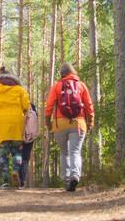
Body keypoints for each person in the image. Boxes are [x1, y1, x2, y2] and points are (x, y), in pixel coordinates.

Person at [44, 63, 94, 192]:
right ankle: (75, 176)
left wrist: (48, 123)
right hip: (78, 123)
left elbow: (49, 106)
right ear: (73, 72)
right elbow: (89, 105)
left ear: (62, 74)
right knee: (75, 152)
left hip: (59, 124)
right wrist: (90, 122)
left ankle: (66, 181)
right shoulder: (81, 85)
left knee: (64, 152)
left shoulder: (57, 86)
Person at [0, 66, 31, 189]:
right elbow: (26, 105)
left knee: (4, 156)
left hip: (1, 125)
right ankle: (15, 171)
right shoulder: (19, 89)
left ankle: (5, 182)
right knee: (17, 152)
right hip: (17, 124)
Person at [19, 101, 37, 188]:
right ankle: (22, 181)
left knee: (18, 156)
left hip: (19, 135)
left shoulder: (18, 105)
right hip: (30, 137)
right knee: (25, 159)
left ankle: (19, 179)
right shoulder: (33, 107)